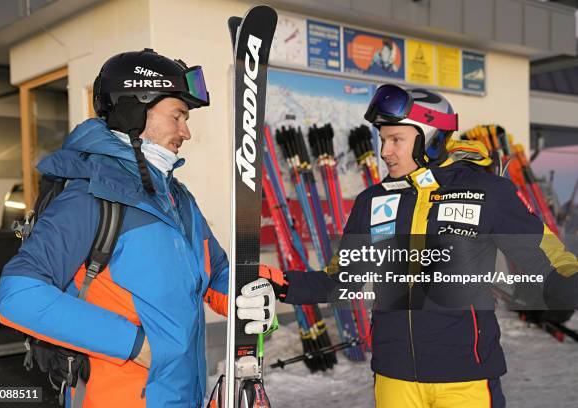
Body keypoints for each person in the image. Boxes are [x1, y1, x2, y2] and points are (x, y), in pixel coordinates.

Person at [242, 85, 578, 408]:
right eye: (383, 139)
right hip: (395, 375)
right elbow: (342, 279)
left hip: (466, 378)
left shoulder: (487, 191)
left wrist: (566, 285)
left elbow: (547, 257)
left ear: (430, 139)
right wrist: (279, 283)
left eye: (396, 139)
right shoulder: (371, 202)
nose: (385, 151)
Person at [0, 48, 273, 408]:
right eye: (178, 116)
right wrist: (134, 345)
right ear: (134, 110)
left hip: (183, 394)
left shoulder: (178, 198)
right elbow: (17, 296)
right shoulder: (90, 194)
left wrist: (245, 295)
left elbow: (214, 271)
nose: (186, 132)